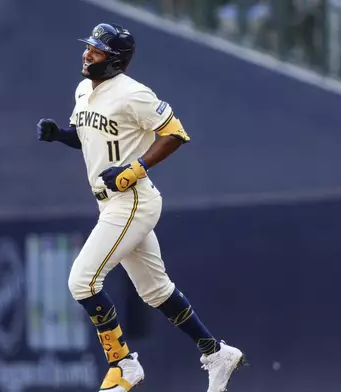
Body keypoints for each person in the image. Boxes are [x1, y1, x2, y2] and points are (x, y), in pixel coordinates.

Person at [36, 22, 245, 392]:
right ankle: (215, 352)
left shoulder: (133, 94)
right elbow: (89, 139)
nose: (87, 54)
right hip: (111, 202)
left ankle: (123, 362)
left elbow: (175, 132)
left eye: (97, 50)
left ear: (114, 61)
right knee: (155, 291)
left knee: (82, 281)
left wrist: (137, 167)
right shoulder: (84, 89)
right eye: (88, 47)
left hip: (132, 199)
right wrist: (60, 135)